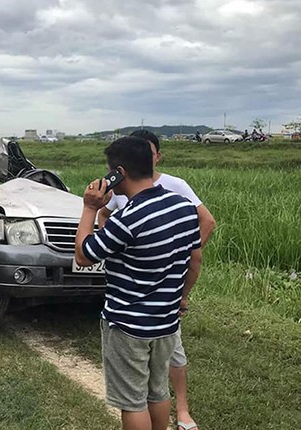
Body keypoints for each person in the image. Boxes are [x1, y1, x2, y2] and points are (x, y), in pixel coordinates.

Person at [75, 136, 203, 430]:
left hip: (128, 327)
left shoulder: (128, 219)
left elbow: (83, 255)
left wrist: (89, 208)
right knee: (157, 392)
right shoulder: (183, 207)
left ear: (118, 172)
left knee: (132, 402)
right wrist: (180, 298)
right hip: (166, 323)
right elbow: (195, 259)